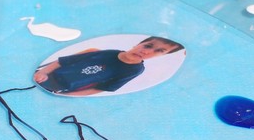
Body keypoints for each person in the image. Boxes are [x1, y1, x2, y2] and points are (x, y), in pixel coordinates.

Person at [34, 37, 184, 96]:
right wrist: (44, 72)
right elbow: (63, 61)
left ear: (161, 56)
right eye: (148, 46)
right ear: (138, 44)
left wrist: (66, 96)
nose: (147, 51)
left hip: (60, 89)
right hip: (48, 74)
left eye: (158, 51)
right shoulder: (108, 53)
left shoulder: (134, 70)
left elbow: (100, 89)